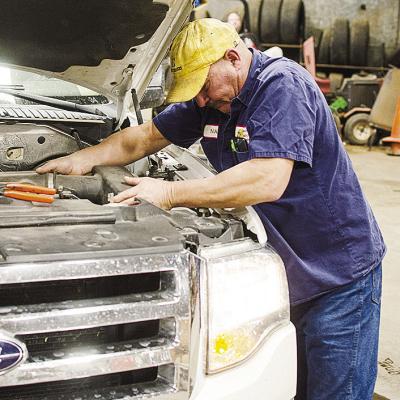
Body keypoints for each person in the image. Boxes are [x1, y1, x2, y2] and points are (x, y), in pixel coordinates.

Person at [37, 18, 385, 400]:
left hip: (336, 275)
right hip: (288, 275)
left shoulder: (283, 86)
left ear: (233, 58)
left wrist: (170, 193)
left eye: (203, 86)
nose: (200, 99)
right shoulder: (214, 102)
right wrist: (83, 159)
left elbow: (267, 179)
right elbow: (145, 137)